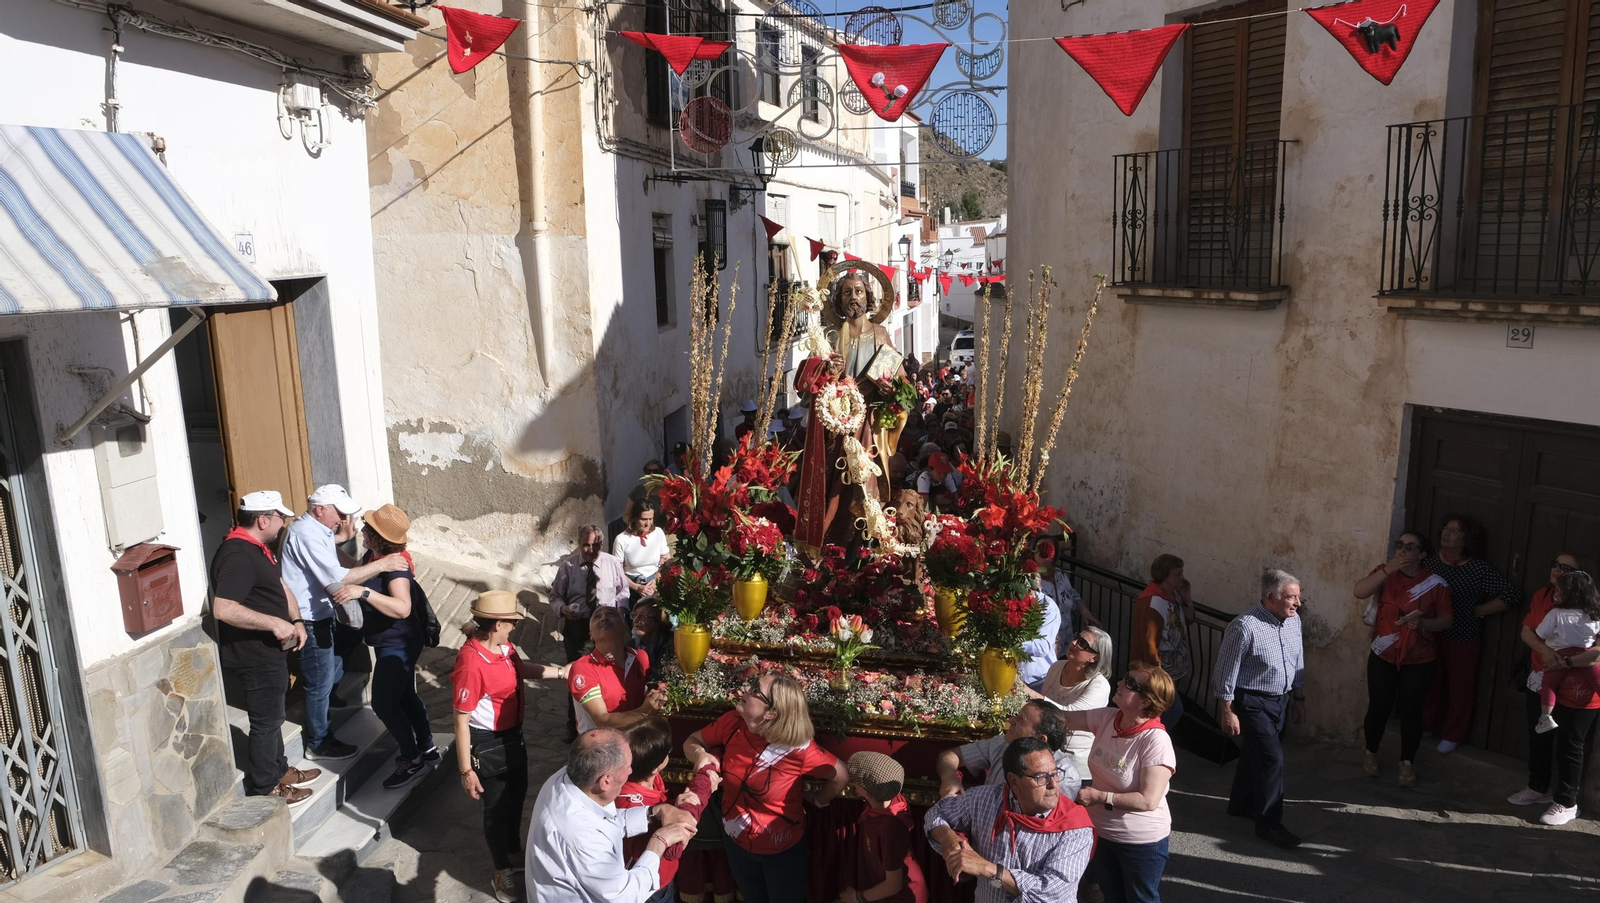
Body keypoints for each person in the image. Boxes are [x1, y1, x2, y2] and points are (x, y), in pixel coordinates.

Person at [683, 673, 850, 903]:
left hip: (783, 853)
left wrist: (819, 800)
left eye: (755, 690)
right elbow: (692, 741)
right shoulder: (731, 723)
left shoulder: (798, 748)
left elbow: (841, 775)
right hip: (735, 843)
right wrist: (700, 755)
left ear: (771, 713)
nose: (746, 689)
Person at [280, 483, 405, 761]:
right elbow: (340, 577)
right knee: (319, 683)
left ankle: (328, 702)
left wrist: (344, 541)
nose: (343, 519)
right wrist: (382, 565)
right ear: (320, 509)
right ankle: (319, 742)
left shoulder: (317, 530)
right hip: (310, 619)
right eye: (339, 513)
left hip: (323, 615)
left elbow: (338, 561)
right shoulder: (307, 534)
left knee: (335, 662)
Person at [210, 490, 316, 805]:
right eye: (280, 516)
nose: (284, 522)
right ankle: (267, 787)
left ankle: (279, 770)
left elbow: (280, 587)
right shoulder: (238, 555)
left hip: (270, 653)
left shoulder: (257, 549)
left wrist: (296, 621)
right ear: (263, 520)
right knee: (266, 723)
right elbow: (224, 609)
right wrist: (273, 623)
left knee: (273, 719)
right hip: (254, 657)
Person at [526, 729, 698, 903]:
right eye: (628, 766)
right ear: (606, 781)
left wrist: (653, 812)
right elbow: (625, 895)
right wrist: (659, 842)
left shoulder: (568, 778)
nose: (631, 771)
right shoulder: (581, 836)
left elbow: (605, 821)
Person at [338, 503, 440, 789]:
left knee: (383, 703)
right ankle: (428, 749)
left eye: (367, 529)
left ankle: (412, 759)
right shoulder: (375, 557)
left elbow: (403, 607)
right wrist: (328, 546)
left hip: (399, 645)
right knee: (405, 696)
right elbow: (355, 571)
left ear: (376, 536)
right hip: (390, 643)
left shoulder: (396, 568)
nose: (362, 531)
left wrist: (364, 592)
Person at [452, 590, 545, 901]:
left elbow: (521, 670)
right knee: (495, 808)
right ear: (497, 624)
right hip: (487, 742)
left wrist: (561, 672)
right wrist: (466, 770)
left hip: (512, 736)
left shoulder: (505, 648)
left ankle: (513, 851)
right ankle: (500, 868)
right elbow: (461, 721)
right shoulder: (471, 663)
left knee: (516, 797)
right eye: (511, 622)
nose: (515, 626)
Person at [924, 737, 1095, 903]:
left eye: (1055, 774)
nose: (1053, 785)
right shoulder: (983, 800)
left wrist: (988, 868)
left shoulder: (1075, 827)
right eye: (1041, 777)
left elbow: (1050, 893)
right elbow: (937, 813)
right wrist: (949, 840)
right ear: (1014, 781)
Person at [1063, 664, 1177, 903]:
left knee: (1140, 899)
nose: (1119, 683)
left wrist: (1099, 797)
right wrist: (1024, 701)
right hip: (1101, 833)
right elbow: (1064, 717)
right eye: (1125, 678)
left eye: (1130, 683)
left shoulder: (1156, 741)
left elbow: (1148, 800)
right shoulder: (1108, 718)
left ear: (1145, 701)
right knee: (1113, 897)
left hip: (1141, 842)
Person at [1213, 569, 1306, 849]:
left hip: (1281, 700)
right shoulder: (1244, 626)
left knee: (1256, 752)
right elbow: (1225, 670)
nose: (1298, 603)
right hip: (1252, 702)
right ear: (1270, 597)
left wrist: (1299, 698)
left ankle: (1241, 804)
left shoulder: (1294, 621)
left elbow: (1298, 659)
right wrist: (1227, 710)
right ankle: (1269, 825)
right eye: (1291, 597)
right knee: (1271, 760)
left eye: (1299, 596)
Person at [1352, 531, 1453, 787]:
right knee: (1378, 707)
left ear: (1422, 554)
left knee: (1411, 711)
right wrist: (1388, 569)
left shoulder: (1436, 584)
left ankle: (1407, 762)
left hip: (1420, 657)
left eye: (1410, 547)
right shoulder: (1384, 573)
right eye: (1400, 545)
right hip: (1383, 652)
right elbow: (1359, 591)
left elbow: (1446, 620)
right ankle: (1370, 752)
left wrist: (1424, 624)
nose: (1403, 551)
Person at [1508, 555, 1600, 825]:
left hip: (1579, 688)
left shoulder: (1594, 608)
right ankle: (1538, 788)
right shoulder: (1544, 596)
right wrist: (1547, 652)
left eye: (1566, 568)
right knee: (1540, 735)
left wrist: (1566, 662)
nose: (1557, 570)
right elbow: (1528, 632)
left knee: (1571, 744)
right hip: (1542, 677)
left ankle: (1567, 802)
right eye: (1555, 564)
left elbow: (1597, 652)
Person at [1422, 513, 1520, 754]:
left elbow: (1512, 595)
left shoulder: (1478, 569)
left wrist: (1479, 610)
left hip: (1463, 635)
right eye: (1446, 528)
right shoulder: (1430, 564)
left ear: (1467, 538)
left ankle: (1452, 734)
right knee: (1428, 681)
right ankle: (1425, 725)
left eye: (1455, 530)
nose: (1447, 533)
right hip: (1430, 633)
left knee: (1461, 687)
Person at [619, 718, 721, 903]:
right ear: (655, 767)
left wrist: (676, 803)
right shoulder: (629, 801)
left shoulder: (650, 778)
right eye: (668, 752)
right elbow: (652, 852)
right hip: (648, 888)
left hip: (663, 877)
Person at [551, 524, 630, 738]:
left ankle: (608, 719)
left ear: (602, 544)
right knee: (577, 674)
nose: (591, 550)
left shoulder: (612, 563)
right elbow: (555, 596)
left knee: (608, 673)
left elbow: (623, 591)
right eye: (586, 545)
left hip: (607, 626)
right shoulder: (568, 567)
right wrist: (563, 609)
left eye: (596, 545)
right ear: (578, 544)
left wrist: (619, 613)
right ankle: (574, 724)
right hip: (578, 627)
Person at [935, 699, 1082, 801]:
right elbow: (951, 755)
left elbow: (1048, 824)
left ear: (1040, 739)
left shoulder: (1065, 778)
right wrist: (949, 777)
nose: (1011, 720)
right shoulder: (1003, 743)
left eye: (1021, 720)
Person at [1028, 627, 1114, 786]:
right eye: (1076, 638)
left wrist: (1030, 694)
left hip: (1074, 767)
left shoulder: (1099, 685)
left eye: (1083, 643)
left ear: (1094, 657)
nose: (1074, 643)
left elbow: (1069, 716)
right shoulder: (1057, 667)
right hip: (1045, 754)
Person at [841, 752, 925, 903]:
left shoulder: (889, 828)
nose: (853, 782)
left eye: (856, 781)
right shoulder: (890, 797)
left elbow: (893, 885)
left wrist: (856, 898)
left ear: (867, 793)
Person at [568, 607, 665, 733]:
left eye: (611, 614)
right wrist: (645, 712)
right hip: (601, 743)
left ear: (624, 627)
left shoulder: (641, 657)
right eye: (597, 617)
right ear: (591, 635)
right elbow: (602, 720)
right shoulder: (583, 667)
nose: (604, 618)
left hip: (637, 740)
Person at [1531, 570, 1600, 734]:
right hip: (1587, 656)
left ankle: (1545, 718)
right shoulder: (1594, 615)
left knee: (1549, 684)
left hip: (1561, 655)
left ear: (1569, 595)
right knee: (1597, 682)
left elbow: (1541, 633)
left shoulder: (1556, 614)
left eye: (1559, 591)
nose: (1555, 594)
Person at [1131, 555, 1193, 730]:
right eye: (1177, 574)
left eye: (1182, 573)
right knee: (1173, 711)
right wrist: (1157, 675)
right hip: (1158, 674)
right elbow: (1149, 643)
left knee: (1162, 711)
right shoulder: (1153, 602)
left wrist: (1187, 599)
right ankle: (1149, 736)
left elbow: (1189, 619)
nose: (1182, 578)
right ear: (1164, 575)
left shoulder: (1173, 596)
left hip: (1172, 671)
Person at [1035, 539, 1100, 641]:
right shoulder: (1028, 578)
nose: (1044, 550)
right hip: (1043, 641)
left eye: (1049, 547)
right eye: (1040, 547)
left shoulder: (1059, 574)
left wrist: (1085, 613)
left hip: (1066, 641)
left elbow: (1074, 597)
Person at [614, 501, 670, 604]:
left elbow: (667, 560)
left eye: (650, 519)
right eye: (644, 519)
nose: (648, 523)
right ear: (635, 518)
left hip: (654, 586)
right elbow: (617, 571)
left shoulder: (658, 533)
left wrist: (657, 579)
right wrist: (636, 587)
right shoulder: (622, 539)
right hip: (631, 587)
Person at [1019, 590, 1060, 692]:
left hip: (1039, 682)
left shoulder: (1048, 606)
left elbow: (1041, 647)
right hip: (1009, 675)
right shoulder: (1005, 599)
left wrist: (1010, 644)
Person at [631, 599, 674, 680]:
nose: (636, 620)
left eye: (643, 615)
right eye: (634, 615)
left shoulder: (673, 644)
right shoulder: (630, 647)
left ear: (659, 619)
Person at [623, 459, 666, 526]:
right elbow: (626, 515)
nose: (651, 474)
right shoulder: (637, 490)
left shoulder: (667, 493)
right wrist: (636, 526)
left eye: (656, 472)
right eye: (648, 471)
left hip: (661, 529)